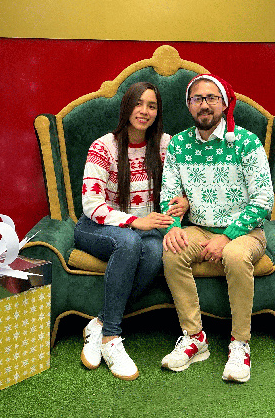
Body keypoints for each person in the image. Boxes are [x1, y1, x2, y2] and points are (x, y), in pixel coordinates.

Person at [159, 74, 274, 383]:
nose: (204, 104)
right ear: (189, 105)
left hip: (245, 232)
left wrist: (227, 236)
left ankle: (240, 344)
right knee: (172, 250)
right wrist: (173, 226)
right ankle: (194, 338)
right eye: (197, 99)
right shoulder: (179, 144)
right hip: (198, 227)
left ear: (224, 104)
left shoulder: (246, 142)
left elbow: (264, 200)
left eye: (211, 98)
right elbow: (169, 194)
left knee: (235, 255)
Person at [74, 81, 188, 380]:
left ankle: (99, 325)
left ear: (158, 112)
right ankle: (112, 338)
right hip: (96, 226)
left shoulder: (165, 145)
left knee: (154, 249)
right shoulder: (104, 147)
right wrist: (134, 221)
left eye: (152, 106)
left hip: (143, 231)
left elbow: (181, 185)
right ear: (127, 106)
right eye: (138, 103)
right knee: (129, 242)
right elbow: (91, 204)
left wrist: (184, 201)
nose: (144, 111)